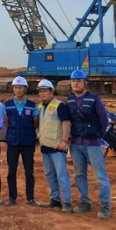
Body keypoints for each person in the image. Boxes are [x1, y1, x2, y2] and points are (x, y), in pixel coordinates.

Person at [67, 70, 111, 219]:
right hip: (76, 144)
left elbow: (104, 120)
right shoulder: (70, 100)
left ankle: (105, 206)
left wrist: (99, 136)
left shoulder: (94, 99)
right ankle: (85, 202)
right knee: (79, 174)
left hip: (92, 144)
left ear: (84, 83)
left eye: (78, 81)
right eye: (73, 81)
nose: (75, 83)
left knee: (100, 175)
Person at [37, 79, 72, 213]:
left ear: (52, 91)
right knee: (50, 174)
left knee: (61, 175)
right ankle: (55, 199)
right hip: (45, 147)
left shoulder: (59, 106)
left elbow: (66, 123)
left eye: (45, 91)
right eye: (40, 91)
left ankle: (67, 201)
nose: (42, 93)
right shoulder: (40, 107)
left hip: (57, 147)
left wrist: (64, 141)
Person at [4, 76, 40, 207]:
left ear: (25, 89)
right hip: (13, 142)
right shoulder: (7, 106)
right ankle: (12, 198)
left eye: (20, 87)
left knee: (29, 171)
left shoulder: (33, 106)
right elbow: (6, 122)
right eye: (15, 87)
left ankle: (30, 197)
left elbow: (35, 123)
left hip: (27, 142)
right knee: (11, 170)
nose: (18, 90)